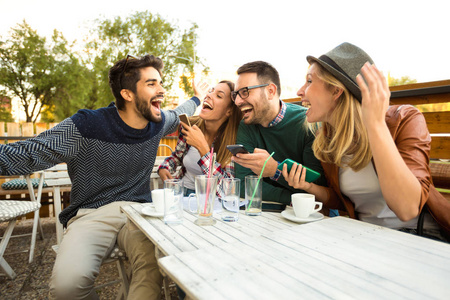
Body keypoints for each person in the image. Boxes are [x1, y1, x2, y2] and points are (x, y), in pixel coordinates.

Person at [0, 54, 202, 299]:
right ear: (127, 94)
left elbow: (180, 112)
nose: (161, 89)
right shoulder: (86, 125)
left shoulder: (157, 122)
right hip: (91, 214)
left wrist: (197, 98)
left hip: (140, 214)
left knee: (153, 266)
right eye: (152, 84)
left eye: (160, 82)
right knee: (66, 287)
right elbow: (30, 152)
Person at [283, 42, 449, 242]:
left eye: (309, 81)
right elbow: (343, 200)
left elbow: (407, 209)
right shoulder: (326, 137)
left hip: (419, 236)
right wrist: (308, 186)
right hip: (365, 236)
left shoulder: (404, 119)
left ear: (336, 91)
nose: (300, 91)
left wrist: (375, 124)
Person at [231, 61, 326, 207]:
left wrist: (275, 171)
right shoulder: (246, 125)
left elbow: (315, 188)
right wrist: (293, 198)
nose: (237, 101)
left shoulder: (308, 123)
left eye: (245, 92)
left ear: (270, 91)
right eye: (236, 94)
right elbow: (245, 185)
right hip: (266, 214)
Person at [158, 80, 243, 197]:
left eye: (218, 96)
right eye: (210, 91)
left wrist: (203, 149)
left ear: (229, 111)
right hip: (182, 195)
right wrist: (165, 167)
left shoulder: (233, 141)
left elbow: (227, 191)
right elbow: (177, 156)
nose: (208, 95)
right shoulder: (190, 126)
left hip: (210, 203)